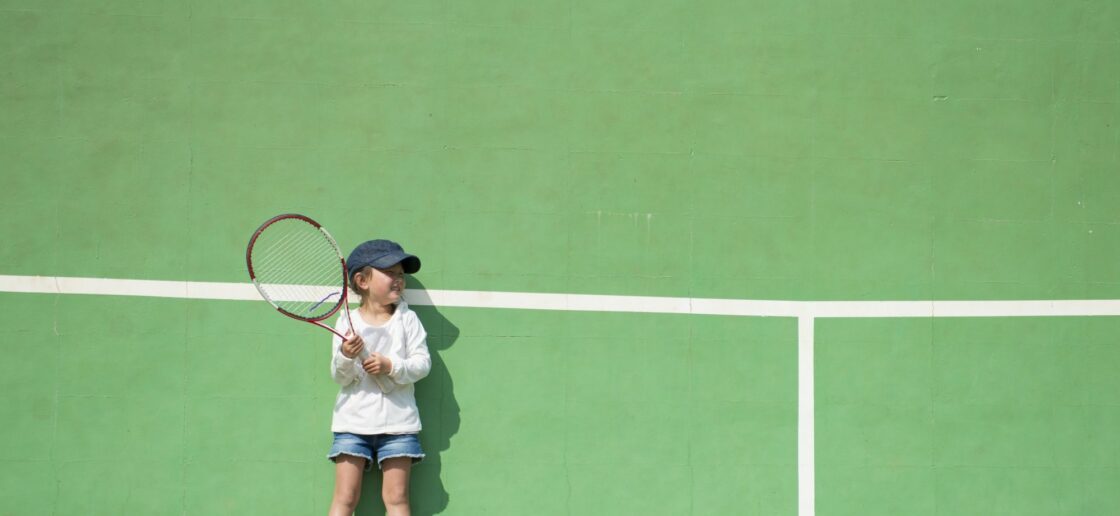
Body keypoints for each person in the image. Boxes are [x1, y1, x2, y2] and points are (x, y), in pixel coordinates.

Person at [327, 239, 431, 516]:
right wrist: (347, 356)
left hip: (399, 425)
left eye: (401, 275)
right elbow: (339, 377)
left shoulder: (408, 320)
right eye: (390, 273)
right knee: (345, 499)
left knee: (397, 499)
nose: (398, 280)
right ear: (362, 280)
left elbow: (422, 365)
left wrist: (390, 366)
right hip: (353, 424)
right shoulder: (347, 321)